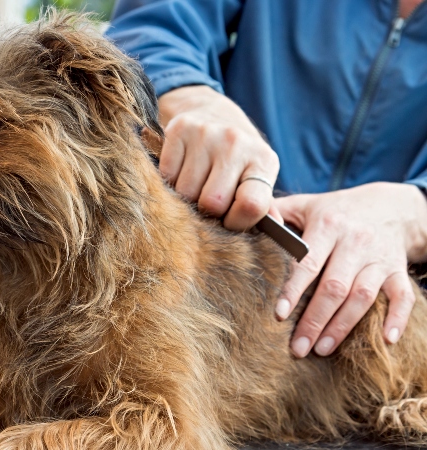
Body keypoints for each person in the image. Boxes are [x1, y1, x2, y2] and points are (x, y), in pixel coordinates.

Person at [106, 0, 427, 358]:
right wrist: (187, 96)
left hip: (392, 326)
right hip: (188, 267)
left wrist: (413, 212)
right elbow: (154, 24)